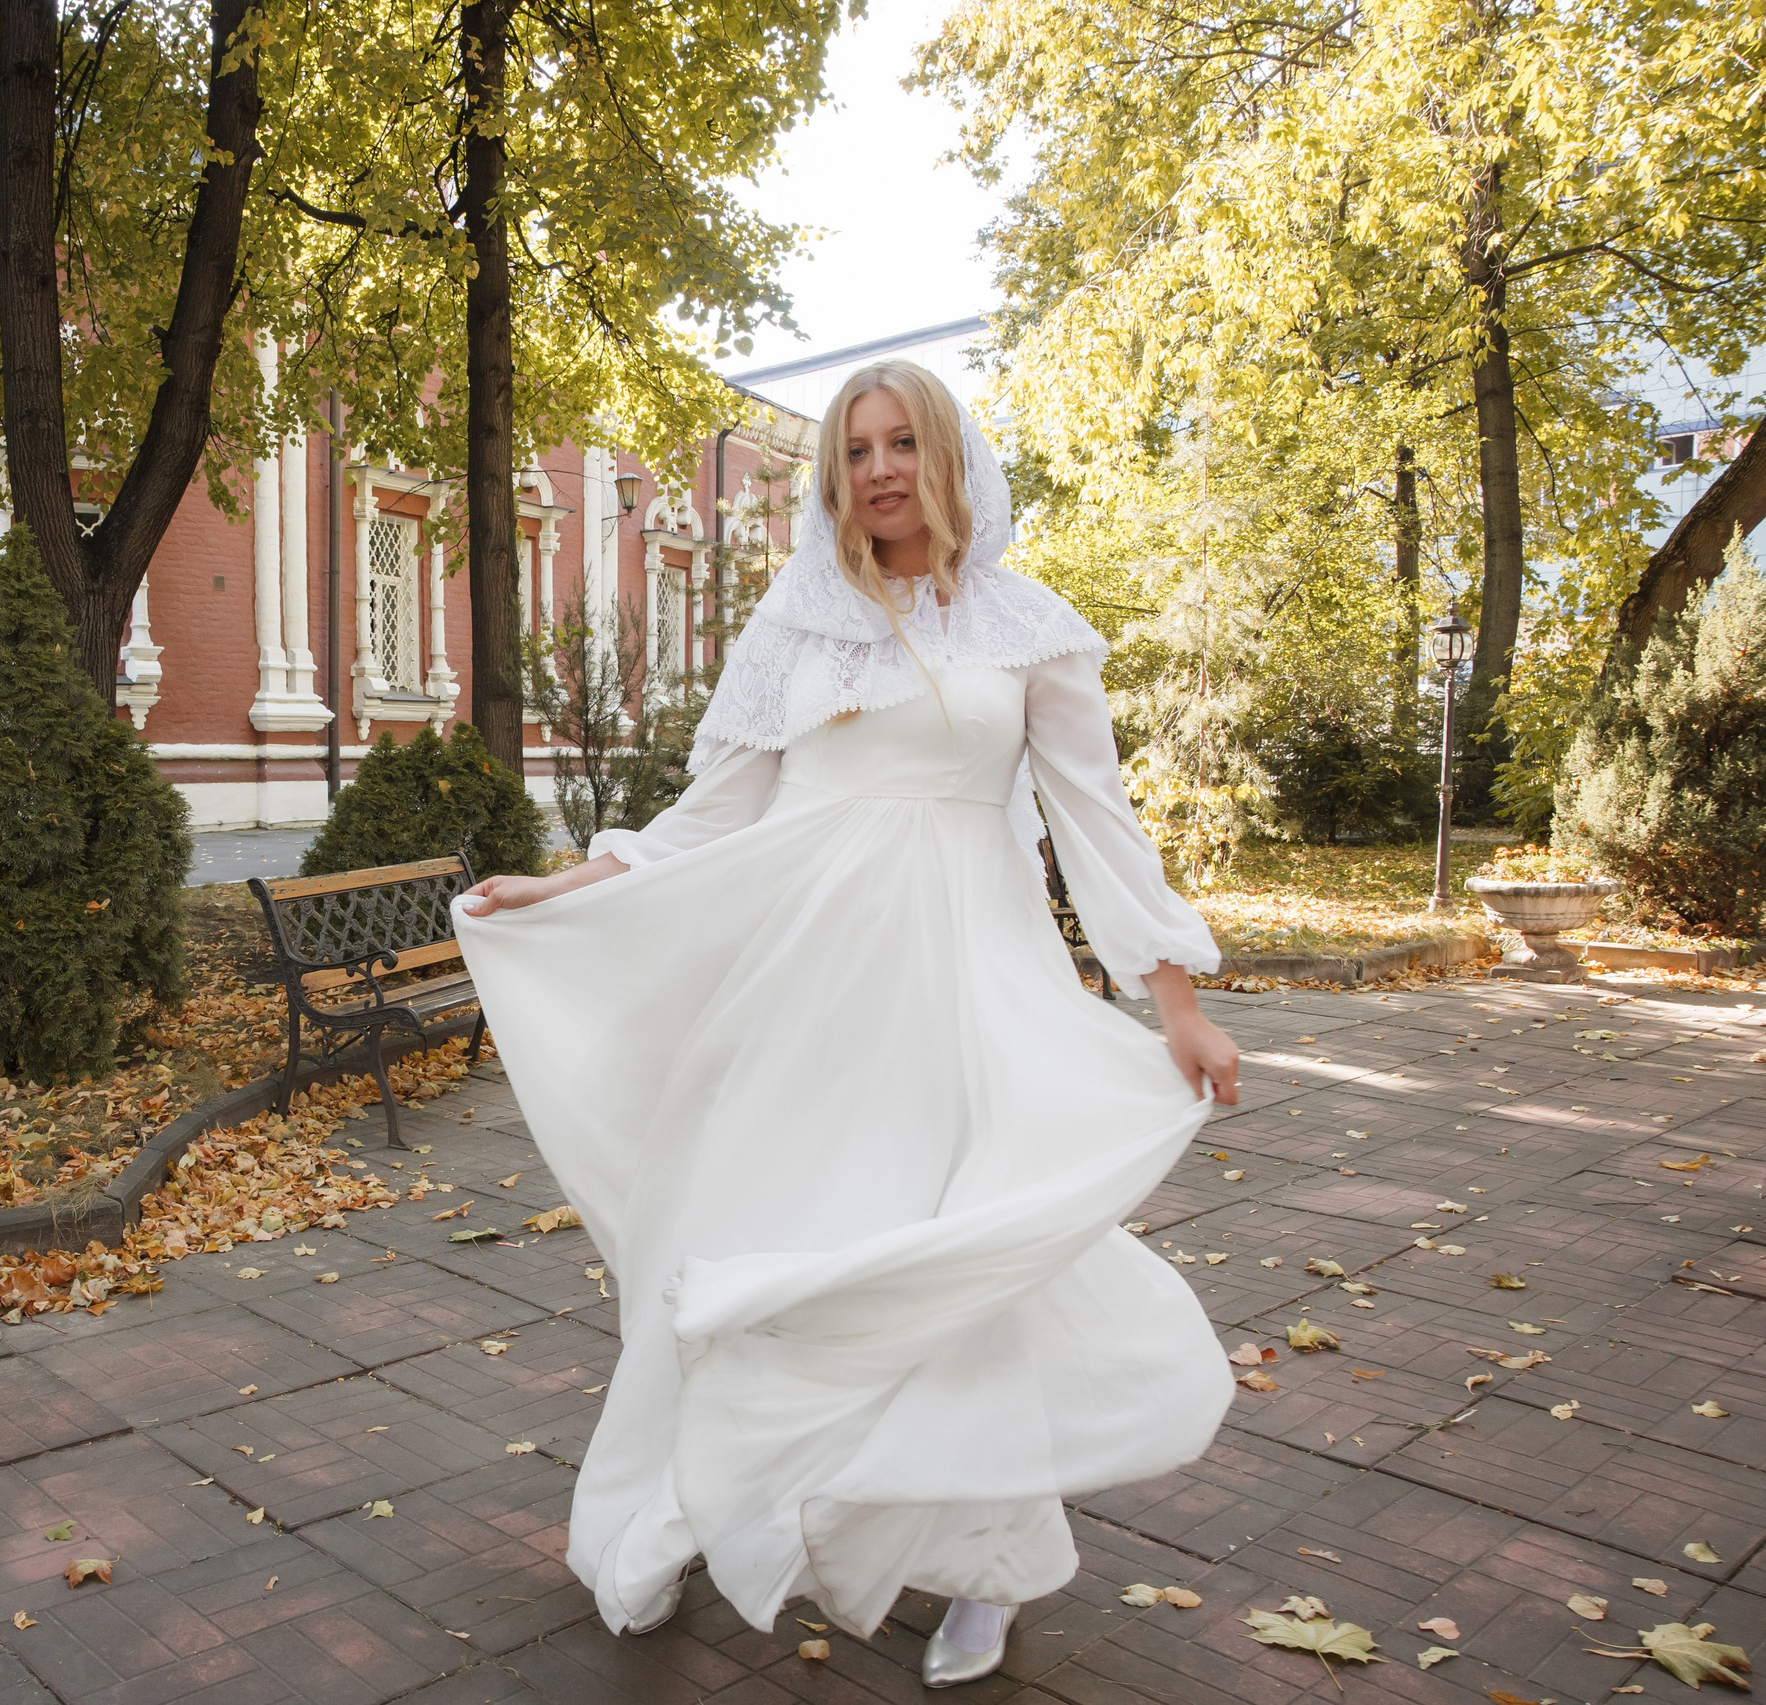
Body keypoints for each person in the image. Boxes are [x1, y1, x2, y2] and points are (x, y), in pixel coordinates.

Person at [449, 361, 1241, 1688]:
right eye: (854, 451)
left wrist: (1177, 998)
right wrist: (564, 881)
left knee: (941, 1267)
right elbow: (719, 809)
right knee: (746, 1244)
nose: (876, 469)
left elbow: (1095, 828)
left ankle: (987, 1572)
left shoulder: (1029, 630)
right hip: (798, 996)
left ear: (943, 457)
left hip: (961, 998)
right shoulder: (795, 629)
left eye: (898, 443)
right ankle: (685, 1505)